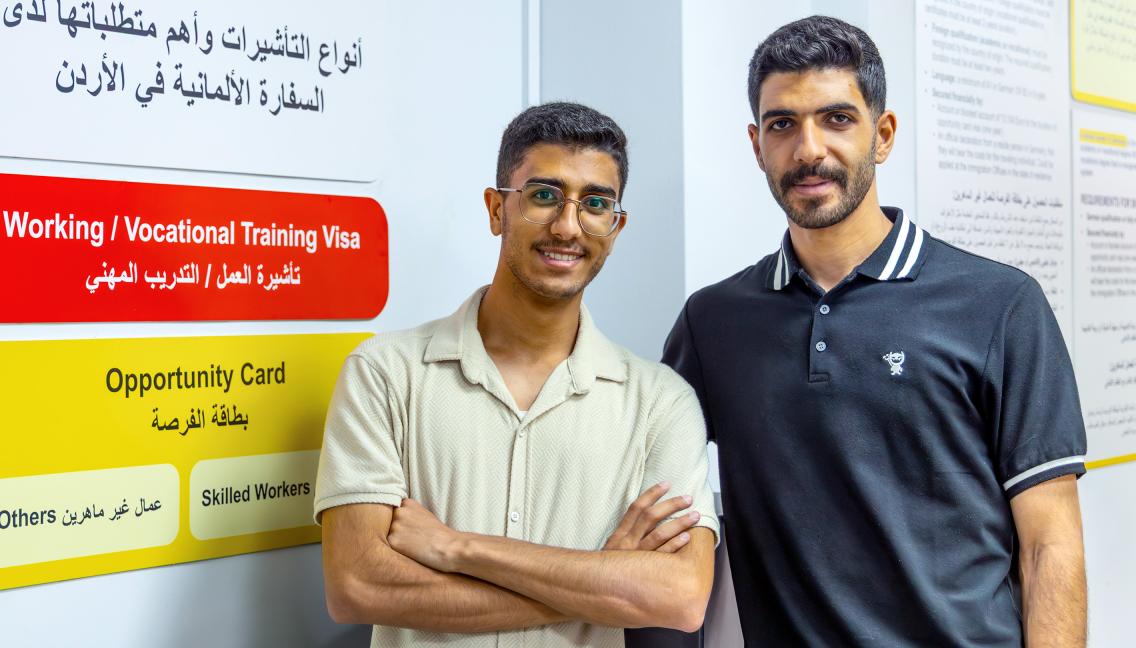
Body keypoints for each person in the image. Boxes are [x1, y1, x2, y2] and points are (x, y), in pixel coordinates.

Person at [663, 16, 1087, 647]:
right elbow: (652, 492)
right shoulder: (713, 321)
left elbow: (1049, 544)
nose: (808, 149)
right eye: (783, 124)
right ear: (757, 145)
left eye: (837, 118)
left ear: (882, 134)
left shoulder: (1000, 304)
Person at [315, 101, 718, 647]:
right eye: (544, 196)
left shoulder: (662, 403)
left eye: (595, 203)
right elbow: (357, 585)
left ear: (616, 226)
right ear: (496, 209)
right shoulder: (385, 375)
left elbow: (680, 597)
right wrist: (601, 579)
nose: (567, 226)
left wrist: (460, 549)